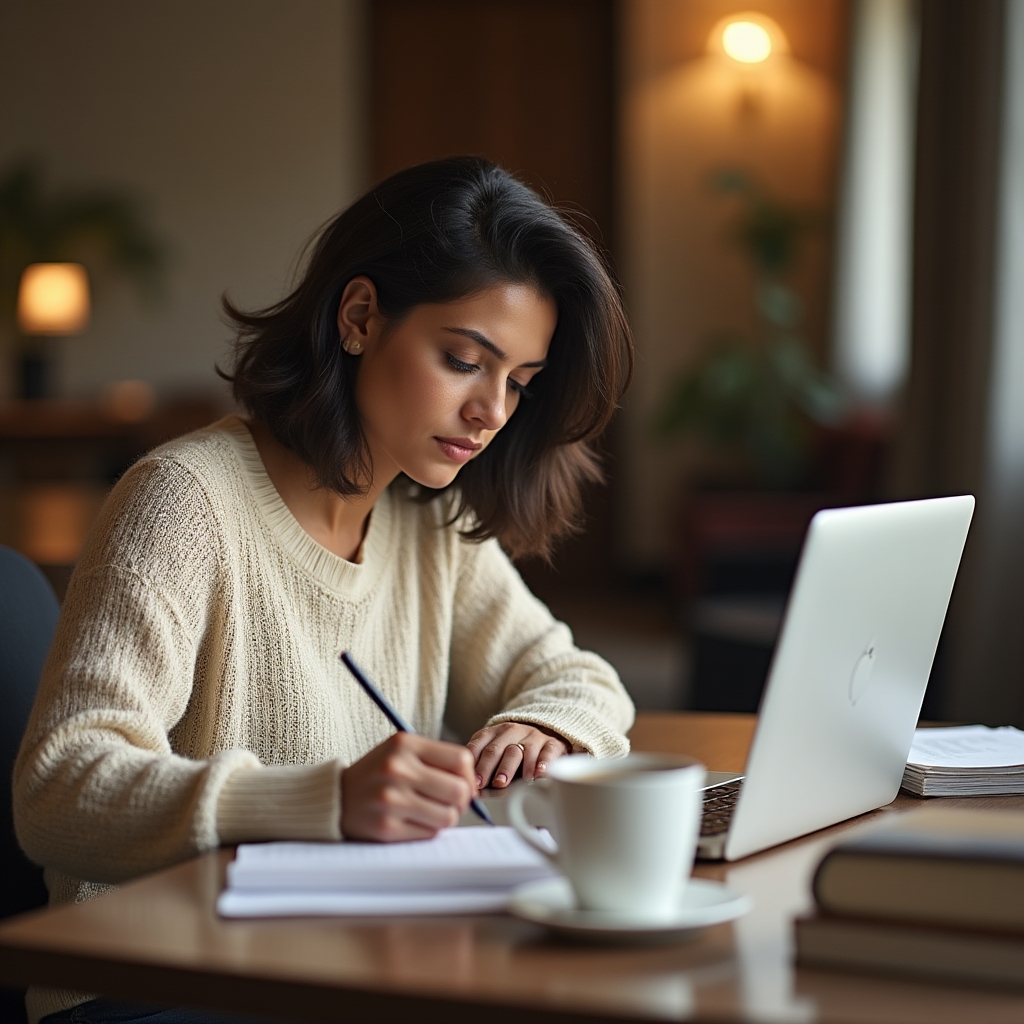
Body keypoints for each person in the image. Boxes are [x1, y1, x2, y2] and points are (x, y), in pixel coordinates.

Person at [13, 157, 635, 1024]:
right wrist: (326, 802)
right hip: (156, 987)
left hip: (341, 964)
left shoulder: (425, 523)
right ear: (360, 317)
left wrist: (546, 725)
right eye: (464, 360)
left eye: (519, 384)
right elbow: (59, 790)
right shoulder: (185, 504)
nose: (492, 410)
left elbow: (580, 678)